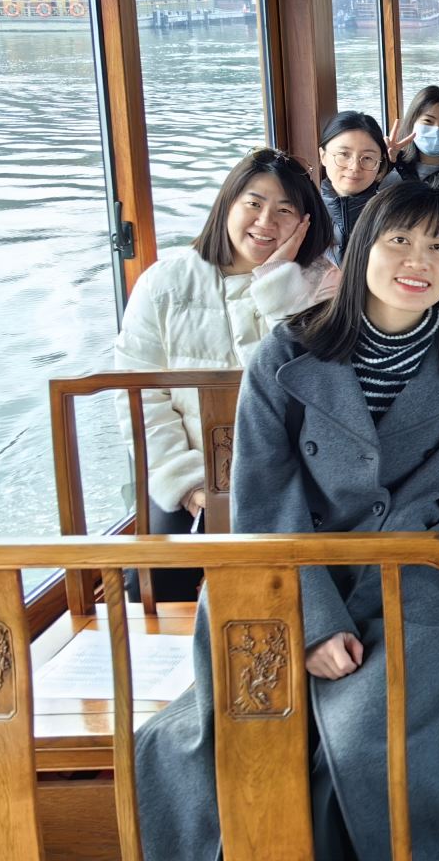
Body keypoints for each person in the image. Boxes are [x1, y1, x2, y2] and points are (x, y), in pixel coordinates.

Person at [133, 182, 439, 861]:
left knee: (366, 740)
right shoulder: (285, 356)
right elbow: (264, 505)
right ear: (364, 248)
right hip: (289, 578)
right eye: (400, 240)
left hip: (415, 582)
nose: (419, 260)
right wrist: (314, 624)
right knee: (248, 736)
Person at [113, 149, 339, 598]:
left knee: (305, 575)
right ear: (227, 205)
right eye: (253, 203)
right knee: (152, 580)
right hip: (191, 466)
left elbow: (315, 385)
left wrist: (276, 284)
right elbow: (140, 399)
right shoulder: (164, 283)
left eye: (285, 210)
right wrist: (191, 485)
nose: (265, 221)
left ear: (304, 222)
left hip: (296, 467)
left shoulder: (323, 283)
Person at [316, 110, 387, 259]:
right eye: (344, 154)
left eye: (367, 158)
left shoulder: (394, 216)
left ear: (380, 163)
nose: (354, 167)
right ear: (323, 156)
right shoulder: (304, 213)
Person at [385, 84, 439, 186]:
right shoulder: (396, 165)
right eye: (428, 121)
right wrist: (386, 164)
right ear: (412, 122)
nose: (436, 130)